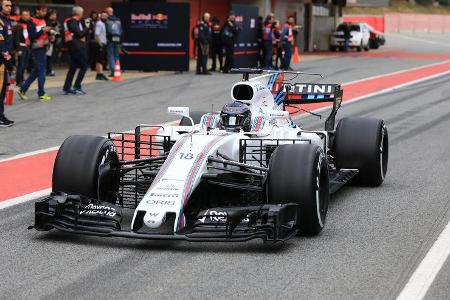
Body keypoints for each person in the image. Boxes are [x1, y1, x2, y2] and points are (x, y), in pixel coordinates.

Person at [17, 5, 52, 101]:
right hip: (37, 48)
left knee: (36, 71)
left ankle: (22, 90)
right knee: (42, 71)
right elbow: (32, 36)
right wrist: (43, 30)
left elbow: (44, 33)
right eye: (42, 11)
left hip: (44, 47)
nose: (44, 13)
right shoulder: (31, 21)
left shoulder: (44, 20)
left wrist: (50, 33)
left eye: (45, 11)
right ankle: (41, 93)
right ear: (37, 11)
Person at [62, 6, 89, 95]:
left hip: (73, 46)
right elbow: (80, 34)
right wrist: (87, 27)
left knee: (73, 67)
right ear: (79, 13)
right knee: (84, 66)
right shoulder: (72, 22)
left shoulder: (69, 21)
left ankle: (67, 87)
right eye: (82, 13)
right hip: (77, 47)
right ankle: (77, 86)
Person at [0, 0, 14, 127]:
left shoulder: (6, 20)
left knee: (3, 90)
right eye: (7, 5)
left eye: (10, 5)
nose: (10, 7)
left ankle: (1, 115)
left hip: (4, 61)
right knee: (0, 90)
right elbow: (1, 45)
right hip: (1, 61)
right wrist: (9, 61)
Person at [14, 9, 31, 87]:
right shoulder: (18, 24)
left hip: (27, 46)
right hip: (21, 46)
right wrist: (18, 49)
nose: (25, 16)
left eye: (26, 15)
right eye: (23, 15)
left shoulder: (29, 24)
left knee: (25, 64)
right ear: (21, 15)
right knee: (21, 64)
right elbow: (16, 37)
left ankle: (22, 79)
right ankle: (18, 81)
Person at [105, 7, 122, 77]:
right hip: (117, 38)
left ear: (107, 12)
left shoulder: (106, 20)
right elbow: (121, 31)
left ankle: (113, 71)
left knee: (110, 54)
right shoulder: (118, 20)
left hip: (110, 38)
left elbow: (105, 30)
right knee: (116, 55)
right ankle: (117, 69)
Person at [45, 9, 61, 77]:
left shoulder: (53, 22)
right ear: (50, 15)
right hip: (47, 41)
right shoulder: (47, 22)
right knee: (47, 56)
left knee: (49, 56)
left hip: (51, 41)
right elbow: (49, 32)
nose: (55, 16)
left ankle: (48, 70)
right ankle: (47, 70)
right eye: (54, 14)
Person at [94, 12, 108, 80]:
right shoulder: (99, 23)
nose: (105, 17)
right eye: (103, 16)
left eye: (106, 16)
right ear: (100, 16)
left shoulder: (102, 24)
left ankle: (98, 74)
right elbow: (97, 34)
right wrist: (99, 44)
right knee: (100, 60)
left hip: (102, 43)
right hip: (100, 44)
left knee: (98, 60)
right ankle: (100, 74)